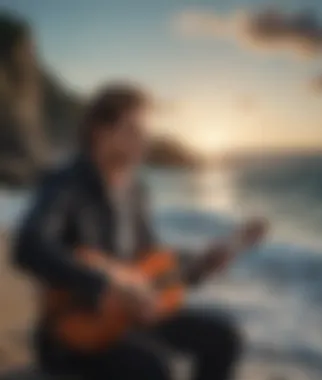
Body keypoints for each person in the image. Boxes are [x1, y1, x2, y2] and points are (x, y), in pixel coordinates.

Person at [13, 83, 266, 380]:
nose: (144, 141)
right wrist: (106, 283)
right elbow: (28, 246)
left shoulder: (137, 192)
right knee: (154, 368)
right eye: (134, 131)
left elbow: (151, 271)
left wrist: (202, 268)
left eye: (145, 132)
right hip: (73, 332)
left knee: (224, 338)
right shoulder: (66, 183)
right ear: (100, 132)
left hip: (126, 321)